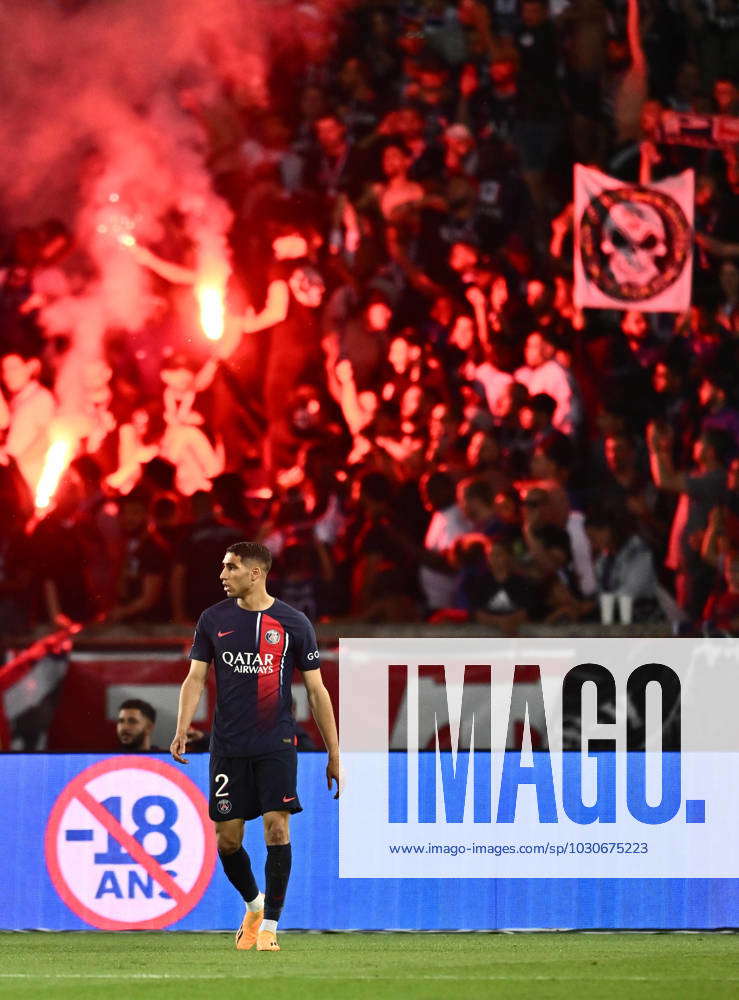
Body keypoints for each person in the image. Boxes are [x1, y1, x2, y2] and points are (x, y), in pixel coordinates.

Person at [170, 541, 340, 953]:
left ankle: (271, 929)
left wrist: (334, 753)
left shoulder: (294, 623)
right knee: (227, 840)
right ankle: (254, 906)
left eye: (231, 568)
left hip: (276, 743)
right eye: (223, 567)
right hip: (228, 746)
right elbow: (195, 679)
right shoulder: (213, 619)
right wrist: (181, 728)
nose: (222, 575)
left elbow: (316, 691)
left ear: (256, 573)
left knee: (277, 827)